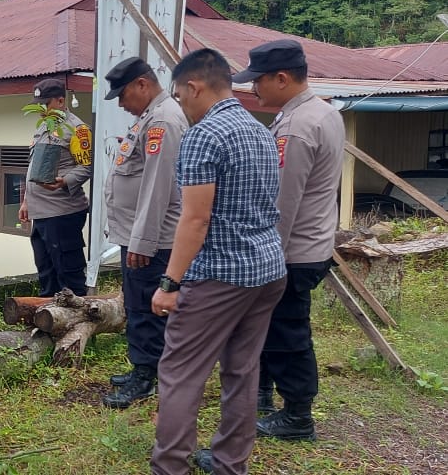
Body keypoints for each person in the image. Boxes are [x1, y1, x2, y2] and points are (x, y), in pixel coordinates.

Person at [149, 49, 287, 475]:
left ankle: (170, 466)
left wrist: (169, 284)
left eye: (178, 95)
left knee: (180, 371)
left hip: (220, 275)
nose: (180, 105)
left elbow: (195, 218)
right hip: (266, 270)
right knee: (243, 372)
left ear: (195, 87)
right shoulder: (259, 129)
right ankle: (231, 464)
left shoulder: (204, 135)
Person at [232, 39, 344, 442]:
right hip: (308, 244)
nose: (254, 89)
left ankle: (297, 416)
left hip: (292, 250)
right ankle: (264, 393)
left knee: (287, 332)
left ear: (281, 78)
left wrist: (266, 257)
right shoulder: (321, 111)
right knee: (274, 325)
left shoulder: (297, 126)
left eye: (258, 81)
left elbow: (282, 201)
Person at [99, 57, 186, 409]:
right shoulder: (149, 118)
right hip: (138, 233)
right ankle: (145, 368)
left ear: (142, 85)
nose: (121, 103)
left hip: (152, 238)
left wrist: (143, 241)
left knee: (145, 309)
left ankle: (145, 375)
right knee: (138, 305)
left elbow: (157, 187)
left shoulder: (163, 120)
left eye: (122, 95)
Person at [18, 78, 94, 297]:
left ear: (61, 101)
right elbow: (33, 166)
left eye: (46, 103)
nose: (41, 108)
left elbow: (88, 166)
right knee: (46, 273)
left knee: (68, 275)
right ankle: (50, 323)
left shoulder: (77, 129)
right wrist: (26, 201)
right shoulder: (43, 126)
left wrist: (66, 180)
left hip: (62, 212)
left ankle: (79, 323)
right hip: (40, 212)